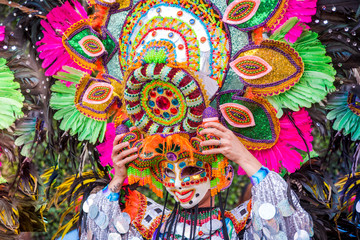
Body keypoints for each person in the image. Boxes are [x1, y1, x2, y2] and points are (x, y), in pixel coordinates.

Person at [80, 121, 313, 240]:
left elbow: (287, 226)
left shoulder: (239, 227)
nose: (179, 184)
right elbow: (100, 230)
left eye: (191, 170)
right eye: (169, 174)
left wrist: (242, 155)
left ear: (220, 175)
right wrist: (119, 177)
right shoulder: (153, 227)